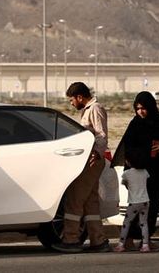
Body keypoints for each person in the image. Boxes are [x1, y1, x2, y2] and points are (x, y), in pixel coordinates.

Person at [113, 91, 159, 250]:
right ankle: (128, 238)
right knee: (134, 207)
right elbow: (127, 147)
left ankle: (146, 239)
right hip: (138, 174)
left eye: (143, 108)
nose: (140, 111)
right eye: (137, 108)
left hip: (156, 172)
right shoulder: (135, 123)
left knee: (153, 206)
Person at [52, 81, 111, 253]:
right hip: (90, 159)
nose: (71, 104)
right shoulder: (88, 110)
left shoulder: (95, 109)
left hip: (92, 160)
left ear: (80, 97)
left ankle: (70, 239)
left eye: (72, 100)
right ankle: (98, 241)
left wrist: (97, 153)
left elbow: (101, 134)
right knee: (90, 203)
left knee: (74, 199)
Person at [113, 148, 153, 253]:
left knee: (127, 222)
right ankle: (145, 245)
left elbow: (125, 183)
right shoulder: (145, 172)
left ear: (128, 161)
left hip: (134, 202)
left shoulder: (127, 173)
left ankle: (121, 244)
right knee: (144, 223)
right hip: (145, 201)